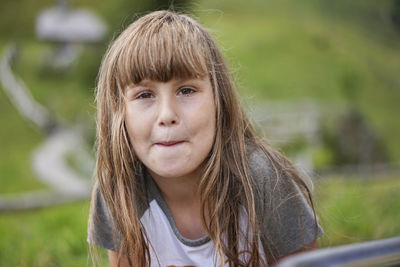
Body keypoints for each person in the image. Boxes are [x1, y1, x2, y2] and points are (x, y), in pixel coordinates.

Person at [87, 10, 323, 267]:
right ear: (119, 111)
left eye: (186, 90)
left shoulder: (262, 180)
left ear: (218, 100)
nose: (167, 115)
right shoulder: (120, 190)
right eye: (145, 95)